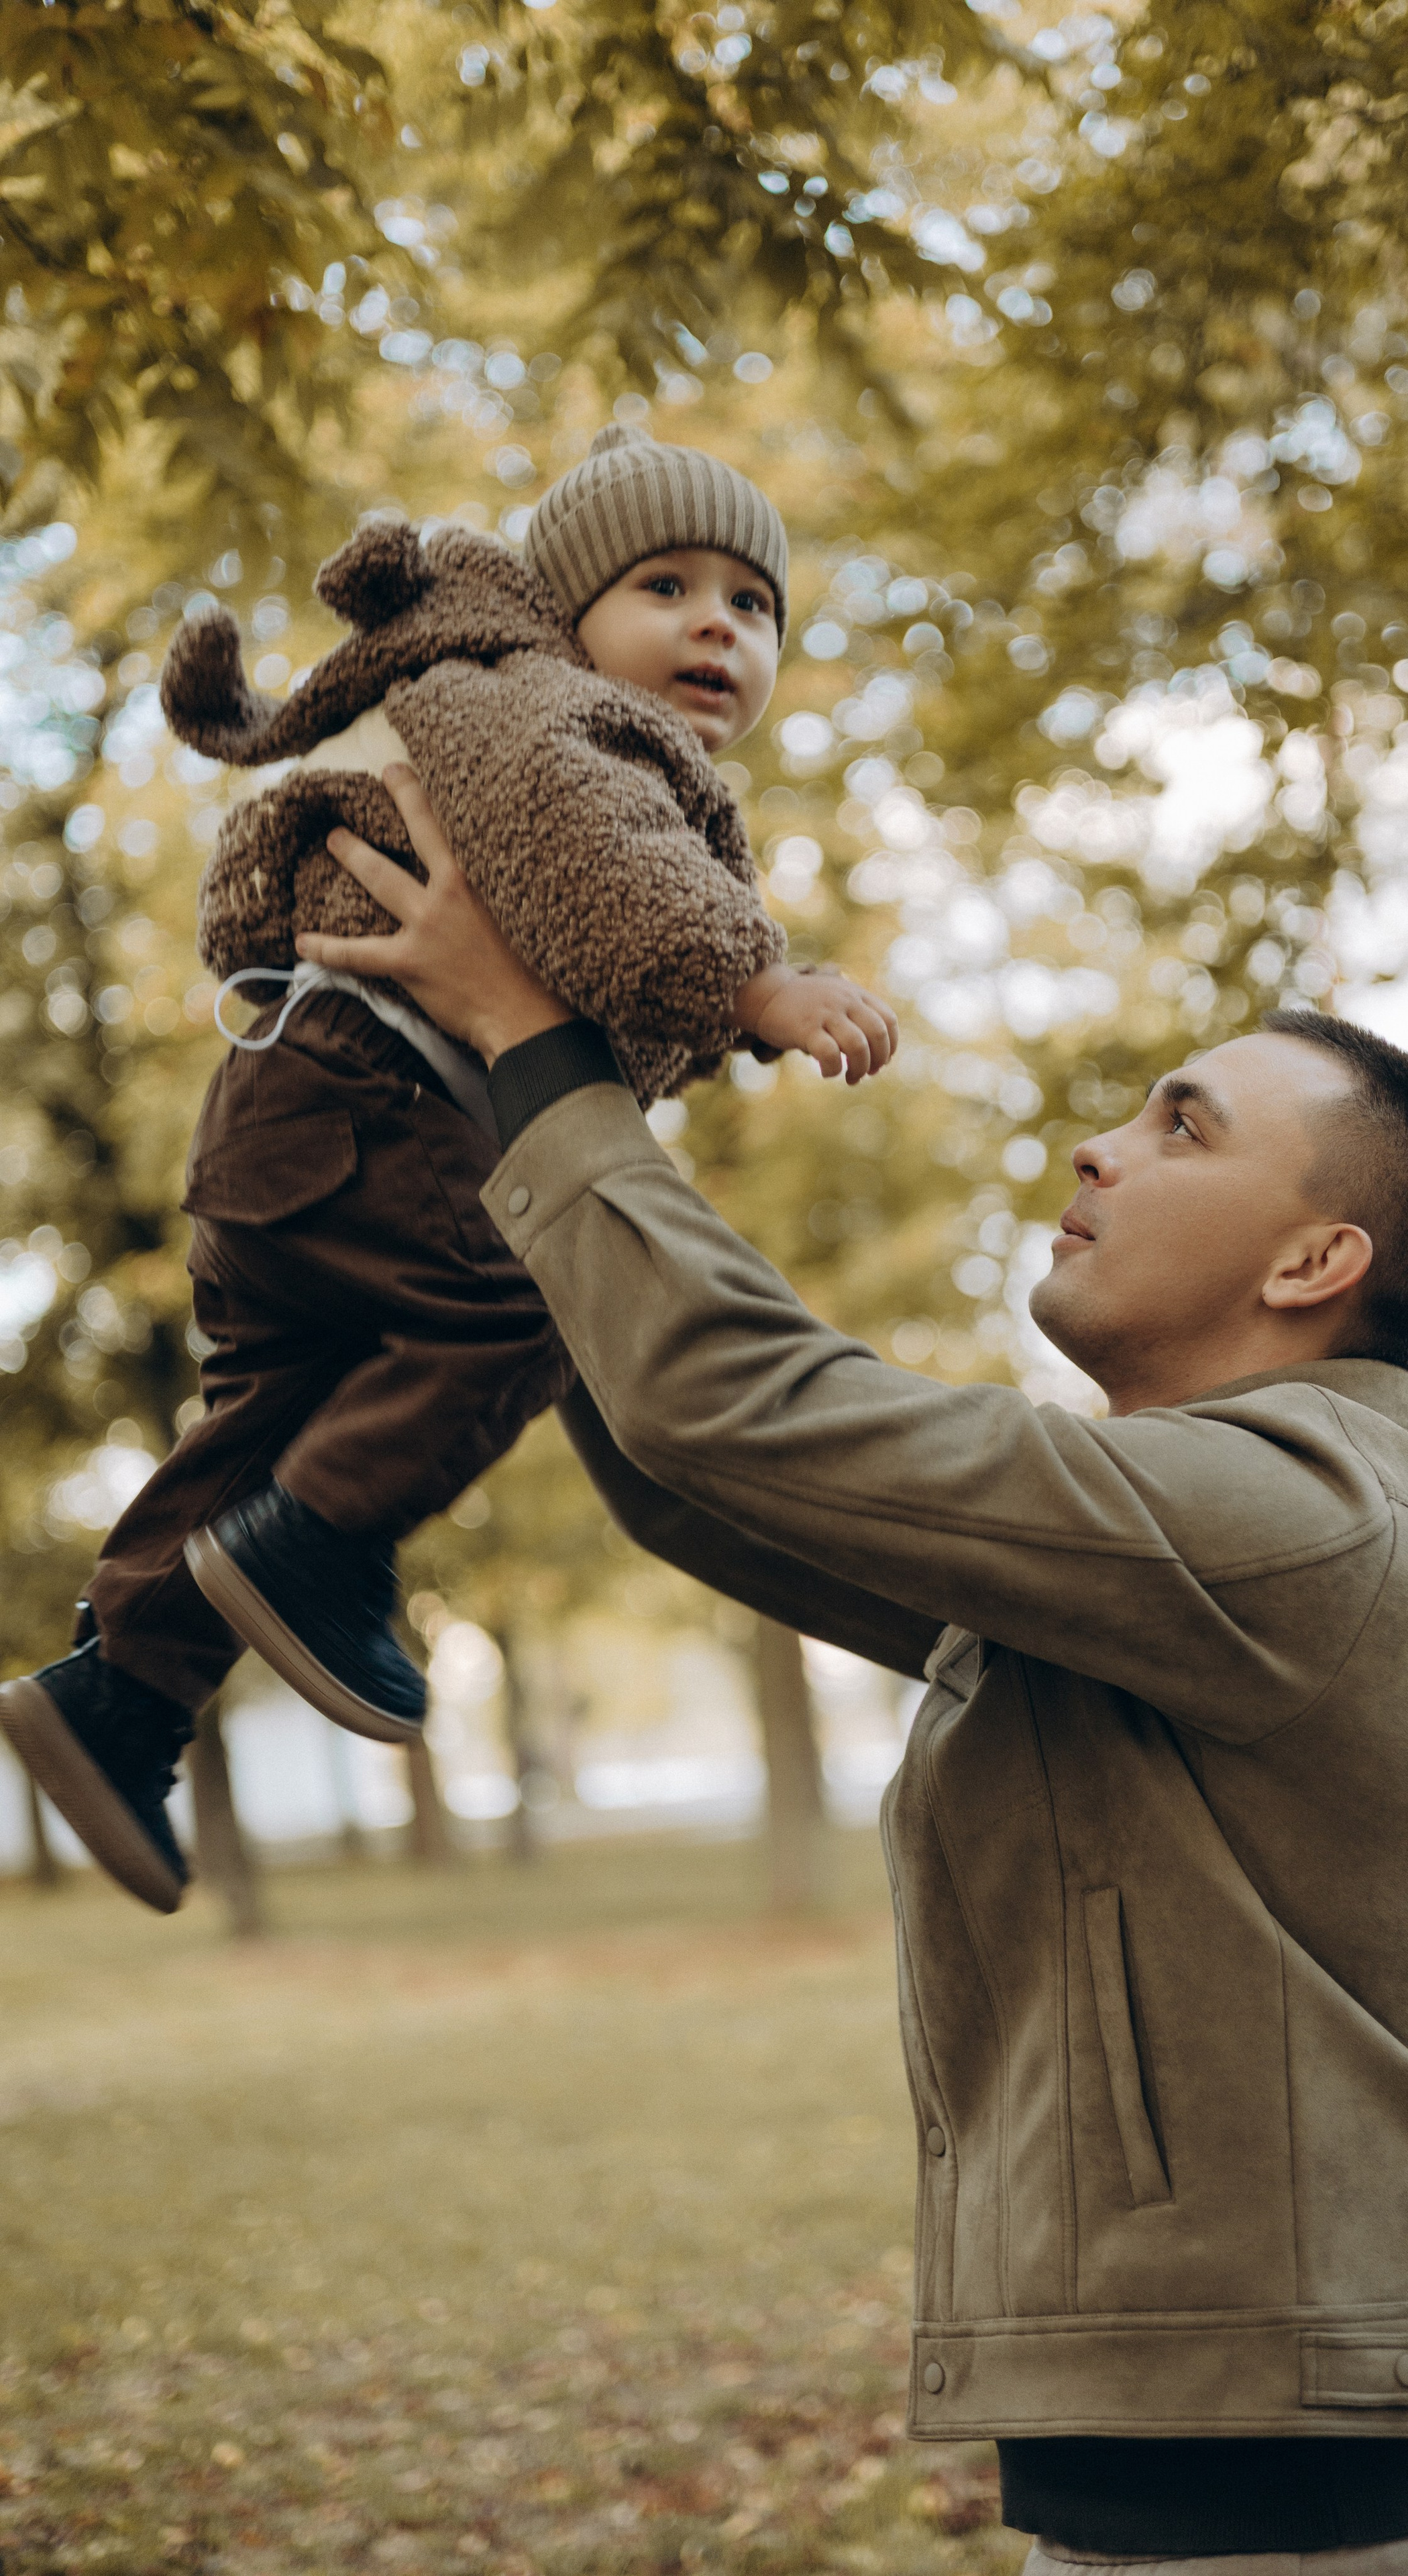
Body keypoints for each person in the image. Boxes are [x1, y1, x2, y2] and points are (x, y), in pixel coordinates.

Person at [266, 775, 1408, 2576]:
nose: (1102, 1148)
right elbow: (715, 1477)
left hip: (1302, 2534)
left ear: (1316, 1261)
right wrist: (496, 1092)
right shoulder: (1149, 1568)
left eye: (1180, 1128)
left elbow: (754, 1412)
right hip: (1159, 2520)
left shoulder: (1302, 1517)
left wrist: (543, 1055)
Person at [0, 428, 896, 1917]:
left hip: (296, 1126)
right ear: (562, 607)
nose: (713, 624)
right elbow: (589, 856)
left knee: (272, 1420)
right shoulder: (535, 707)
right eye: (664, 583)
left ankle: (121, 1698)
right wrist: (756, 985)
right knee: (525, 1310)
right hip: (373, 1094)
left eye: (752, 606)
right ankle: (315, 1557)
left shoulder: (526, 716)